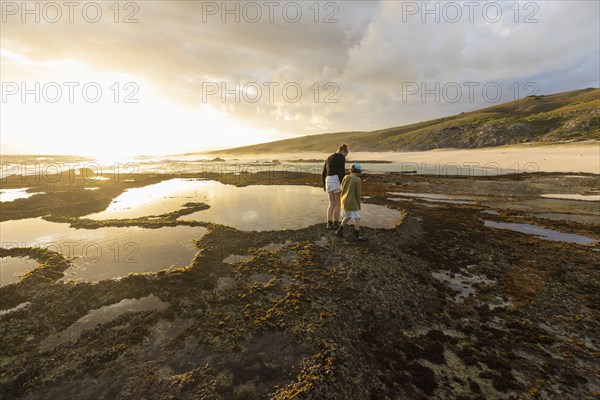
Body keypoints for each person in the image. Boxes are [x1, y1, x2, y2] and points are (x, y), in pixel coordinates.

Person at [335, 163, 367, 241]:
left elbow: (341, 188)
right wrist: (358, 204)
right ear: (358, 171)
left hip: (344, 200)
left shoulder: (345, 177)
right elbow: (357, 193)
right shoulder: (357, 179)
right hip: (352, 201)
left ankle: (339, 231)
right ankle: (357, 236)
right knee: (357, 218)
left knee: (348, 216)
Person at [322, 143, 348, 230]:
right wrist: (343, 183)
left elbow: (324, 173)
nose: (345, 156)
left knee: (331, 203)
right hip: (335, 179)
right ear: (343, 152)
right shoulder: (341, 157)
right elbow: (341, 171)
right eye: (346, 154)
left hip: (328, 180)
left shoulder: (328, 158)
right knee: (338, 203)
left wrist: (324, 185)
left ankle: (328, 223)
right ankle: (335, 223)